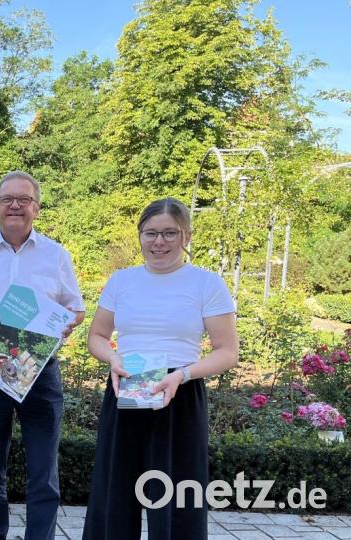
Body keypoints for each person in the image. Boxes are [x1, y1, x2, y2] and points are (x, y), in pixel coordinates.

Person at [82, 198, 239, 540]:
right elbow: (96, 335)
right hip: (126, 388)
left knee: (176, 496)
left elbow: (227, 352)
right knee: (115, 491)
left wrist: (182, 374)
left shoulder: (206, 284)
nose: (159, 242)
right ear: (139, 236)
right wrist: (112, 358)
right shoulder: (122, 281)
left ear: (187, 236)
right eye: (150, 233)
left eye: (170, 233)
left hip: (179, 392)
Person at [0, 171, 85, 540]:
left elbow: (76, 308)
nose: (15, 205)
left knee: (44, 469)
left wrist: (66, 324)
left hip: (39, 373)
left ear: (36, 208)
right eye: (6, 199)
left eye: (23, 199)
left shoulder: (56, 255)